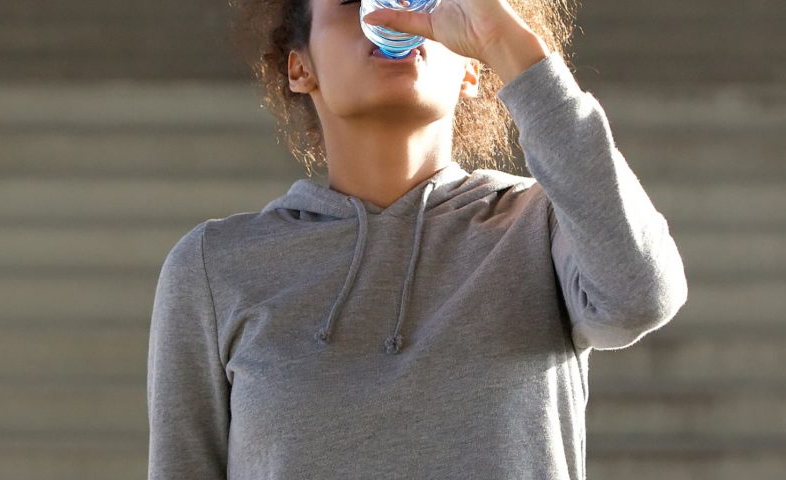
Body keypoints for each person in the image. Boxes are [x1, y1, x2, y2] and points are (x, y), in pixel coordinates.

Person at [147, 0, 689, 478]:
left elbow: (640, 296)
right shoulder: (216, 265)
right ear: (299, 66)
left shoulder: (542, 225)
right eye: (351, 2)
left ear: (473, 70)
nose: (387, 15)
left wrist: (509, 44)